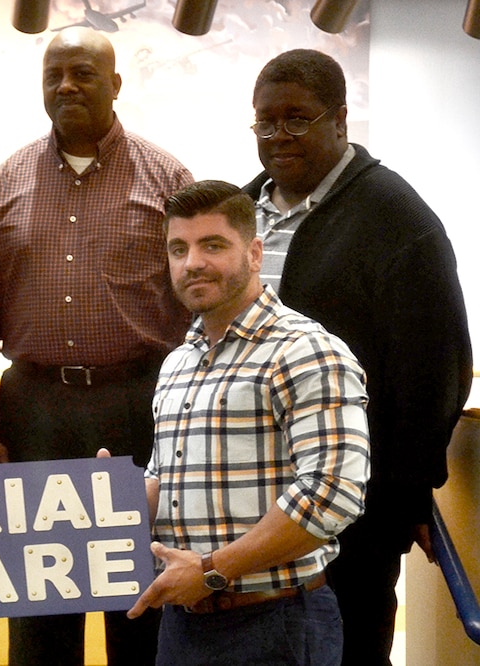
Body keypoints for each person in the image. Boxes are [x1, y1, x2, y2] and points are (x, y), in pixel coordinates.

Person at [0, 26, 193, 666]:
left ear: (115, 83)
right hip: (37, 415)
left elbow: (199, 305)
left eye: (83, 73)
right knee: (40, 610)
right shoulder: (6, 181)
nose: (67, 86)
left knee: (140, 604)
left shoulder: (167, 178)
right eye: (54, 74)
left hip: (141, 409)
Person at [240, 49, 472, 665]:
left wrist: (401, 500)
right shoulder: (238, 214)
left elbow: (437, 370)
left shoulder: (398, 219)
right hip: (242, 499)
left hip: (350, 515)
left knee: (345, 649)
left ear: (339, 119)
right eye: (265, 121)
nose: (277, 137)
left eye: (297, 120)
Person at [125, 180, 370, 665]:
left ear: (255, 253)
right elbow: (166, 477)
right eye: (179, 248)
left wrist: (213, 570)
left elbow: (331, 494)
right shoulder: (178, 362)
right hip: (182, 624)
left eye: (212, 245)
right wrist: (110, 499)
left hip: (276, 624)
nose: (192, 262)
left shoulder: (305, 350)